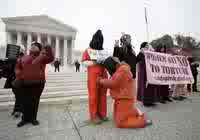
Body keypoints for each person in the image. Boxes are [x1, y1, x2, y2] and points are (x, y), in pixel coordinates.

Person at [97, 57, 152, 128]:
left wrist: (100, 81)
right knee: (117, 118)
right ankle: (135, 112)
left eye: (108, 68)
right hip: (122, 98)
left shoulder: (122, 70)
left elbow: (113, 83)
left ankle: (142, 121)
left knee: (121, 122)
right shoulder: (121, 69)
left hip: (124, 99)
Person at [14, 42, 54, 127]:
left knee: (35, 101)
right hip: (25, 83)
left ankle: (33, 119)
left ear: (39, 48)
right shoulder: (24, 57)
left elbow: (51, 58)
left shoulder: (43, 57)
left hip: (38, 83)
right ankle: (24, 119)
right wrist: (19, 75)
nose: (33, 46)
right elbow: (17, 67)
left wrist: (48, 48)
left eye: (35, 45)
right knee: (25, 101)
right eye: (32, 45)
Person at [82, 30, 108, 124]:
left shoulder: (103, 51)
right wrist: (94, 62)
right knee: (93, 96)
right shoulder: (88, 50)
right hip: (93, 76)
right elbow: (84, 62)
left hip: (104, 74)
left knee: (103, 95)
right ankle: (94, 116)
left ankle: (102, 113)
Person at [136, 42, 157, 106]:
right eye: (146, 46)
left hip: (150, 72)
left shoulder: (150, 52)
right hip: (143, 73)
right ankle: (146, 101)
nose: (147, 47)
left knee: (151, 86)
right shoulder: (141, 53)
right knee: (145, 87)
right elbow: (136, 60)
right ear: (143, 46)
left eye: (148, 46)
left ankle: (151, 100)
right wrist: (141, 53)